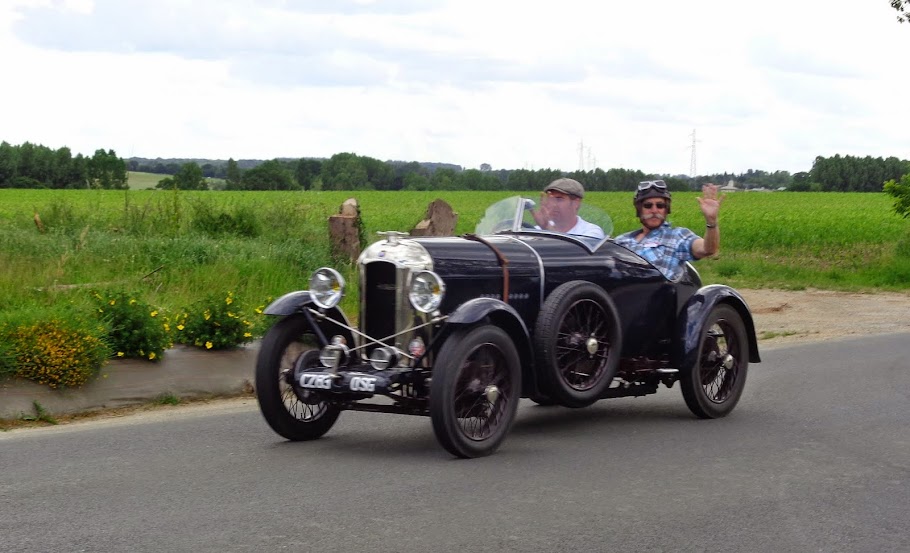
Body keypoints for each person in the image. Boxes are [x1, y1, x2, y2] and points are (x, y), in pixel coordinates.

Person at [613, 180, 722, 280]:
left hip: (657, 295)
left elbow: (707, 249)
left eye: (660, 206)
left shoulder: (677, 236)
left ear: (666, 209)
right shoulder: (621, 241)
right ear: (639, 209)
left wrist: (711, 220)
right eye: (648, 206)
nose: (654, 210)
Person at [531, 178, 605, 239]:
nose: (553, 204)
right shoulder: (537, 230)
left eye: (559, 199)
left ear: (576, 203)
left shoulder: (590, 232)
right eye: (550, 199)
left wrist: (547, 228)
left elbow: (570, 251)